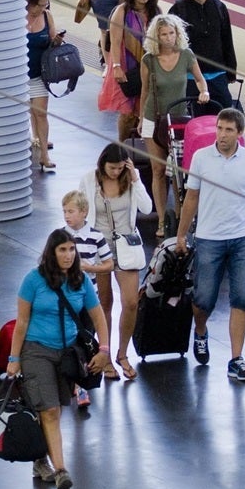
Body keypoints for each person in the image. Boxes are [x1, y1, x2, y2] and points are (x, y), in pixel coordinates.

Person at [3, 229, 111, 489]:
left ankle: (40, 460)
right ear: (52, 253)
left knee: (54, 410)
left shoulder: (81, 280)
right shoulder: (33, 280)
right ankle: (61, 470)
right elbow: (22, 323)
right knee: (50, 410)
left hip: (66, 353)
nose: (68, 255)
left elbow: (98, 317)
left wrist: (105, 350)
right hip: (36, 351)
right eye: (62, 250)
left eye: (72, 250)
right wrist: (14, 359)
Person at [173, 109, 245, 384]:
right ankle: (201, 329)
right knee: (203, 299)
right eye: (219, 128)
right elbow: (191, 198)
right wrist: (181, 235)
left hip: (242, 239)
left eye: (228, 130)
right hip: (209, 238)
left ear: (239, 134)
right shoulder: (201, 158)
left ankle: (236, 359)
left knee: (242, 299)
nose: (222, 134)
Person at [78, 142, 153, 377]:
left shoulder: (130, 179)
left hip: (126, 245)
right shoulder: (90, 179)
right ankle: (106, 356)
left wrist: (136, 179)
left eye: (120, 168)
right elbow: (81, 210)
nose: (115, 172)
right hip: (100, 247)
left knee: (131, 301)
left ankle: (123, 354)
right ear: (103, 164)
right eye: (112, 168)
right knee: (105, 303)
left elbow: (147, 207)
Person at [137, 14, 205, 235]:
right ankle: (160, 220)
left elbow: (199, 78)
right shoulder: (148, 59)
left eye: (171, 33)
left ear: (178, 34)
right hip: (153, 119)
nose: (167, 38)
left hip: (178, 120)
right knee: (158, 169)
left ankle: (178, 214)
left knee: (177, 169)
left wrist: (204, 91)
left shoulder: (186, 55)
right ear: (156, 37)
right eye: (163, 34)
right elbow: (144, 91)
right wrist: (140, 119)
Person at [62, 191, 116, 390]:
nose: (67, 216)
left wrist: (90, 268)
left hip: (87, 298)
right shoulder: (61, 236)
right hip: (66, 299)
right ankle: (70, 382)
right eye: (64, 211)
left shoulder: (95, 236)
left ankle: (82, 383)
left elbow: (109, 264)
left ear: (84, 212)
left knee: (85, 339)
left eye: (71, 211)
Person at [169, 0, 240, 110]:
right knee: (194, 121)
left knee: (224, 117)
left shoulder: (219, 7)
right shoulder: (179, 8)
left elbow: (227, 39)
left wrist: (231, 71)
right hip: (190, 78)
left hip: (217, 75)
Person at [104, 0, 161, 141]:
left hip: (148, 65)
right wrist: (116, 66)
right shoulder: (122, 11)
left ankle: (137, 147)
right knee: (127, 112)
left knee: (142, 110)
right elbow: (114, 41)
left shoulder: (155, 11)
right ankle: (122, 144)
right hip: (126, 66)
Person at [23, 0, 62, 171]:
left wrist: (57, 41)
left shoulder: (47, 16)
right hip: (18, 75)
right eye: (39, 5)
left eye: (45, 5)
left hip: (39, 74)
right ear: (29, 3)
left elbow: (52, 38)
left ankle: (45, 155)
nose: (41, 9)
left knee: (41, 113)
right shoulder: (18, 15)